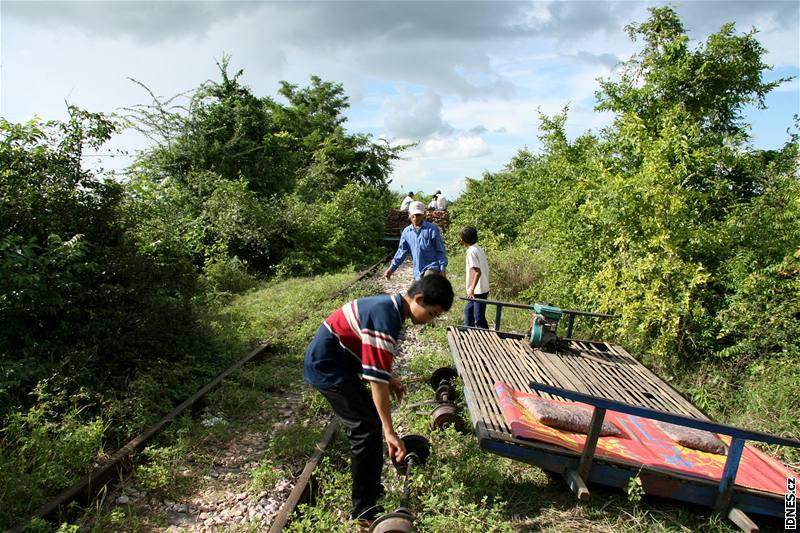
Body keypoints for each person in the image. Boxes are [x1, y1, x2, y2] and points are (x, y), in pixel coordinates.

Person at [303, 275, 454, 526]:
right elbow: (376, 382)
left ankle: (370, 492)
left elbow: (371, 356)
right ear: (418, 299)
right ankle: (363, 510)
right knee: (366, 429)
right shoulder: (387, 316)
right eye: (433, 314)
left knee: (370, 424)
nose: (430, 320)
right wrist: (390, 431)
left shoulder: (390, 308)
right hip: (328, 368)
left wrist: (389, 377)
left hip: (342, 364)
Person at [384, 201, 448, 280]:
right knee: (414, 291)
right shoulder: (407, 232)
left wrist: (442, 268)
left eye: (418, 215)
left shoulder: (432, 229)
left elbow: (440, 250)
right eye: (413, 215)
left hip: (432, 267)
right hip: (418, 270)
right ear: (409, 215)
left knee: (425, 285)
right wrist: (391, 269)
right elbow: (401, 251)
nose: (416, 218)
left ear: (423, 215)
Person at [460, 226, 490, 329]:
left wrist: (471, 289)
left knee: (479, 317)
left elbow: (477, 272)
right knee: (468, 312)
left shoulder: (471, 252)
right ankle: (470, 334)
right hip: (482, 287)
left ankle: (485, 338)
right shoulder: (478, 248)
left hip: (478, 290)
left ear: (463, 240)